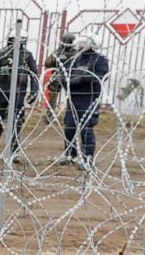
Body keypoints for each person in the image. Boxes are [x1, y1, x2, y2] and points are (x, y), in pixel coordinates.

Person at [0, 32, 39, 161]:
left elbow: (34, 75)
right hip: (1, 90)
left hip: (18, 91)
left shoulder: (27, 55)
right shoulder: (1, 54)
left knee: (17, 120)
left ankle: (14, 151)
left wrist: (34, 91)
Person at [62, 33, 110, 170]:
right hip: (74, 98)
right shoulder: (75, 59)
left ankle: (87, 159)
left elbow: (101, 75)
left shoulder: (100, 60)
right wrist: (67, 82)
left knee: (86, 130)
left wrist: (82, 78)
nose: (80, 46)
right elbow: (64, 74)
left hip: (88, 98)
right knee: (69, 128)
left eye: (83, 43)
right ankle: (70, 155)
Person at [43, 32, 77, 125]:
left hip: (61, 77)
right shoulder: (75, 53)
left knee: (54, 97)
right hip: (67, 77)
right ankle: (67, 118)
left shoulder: (60, 52)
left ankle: (50, 117)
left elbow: (47, 63)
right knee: (66, 98)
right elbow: (48, 63)